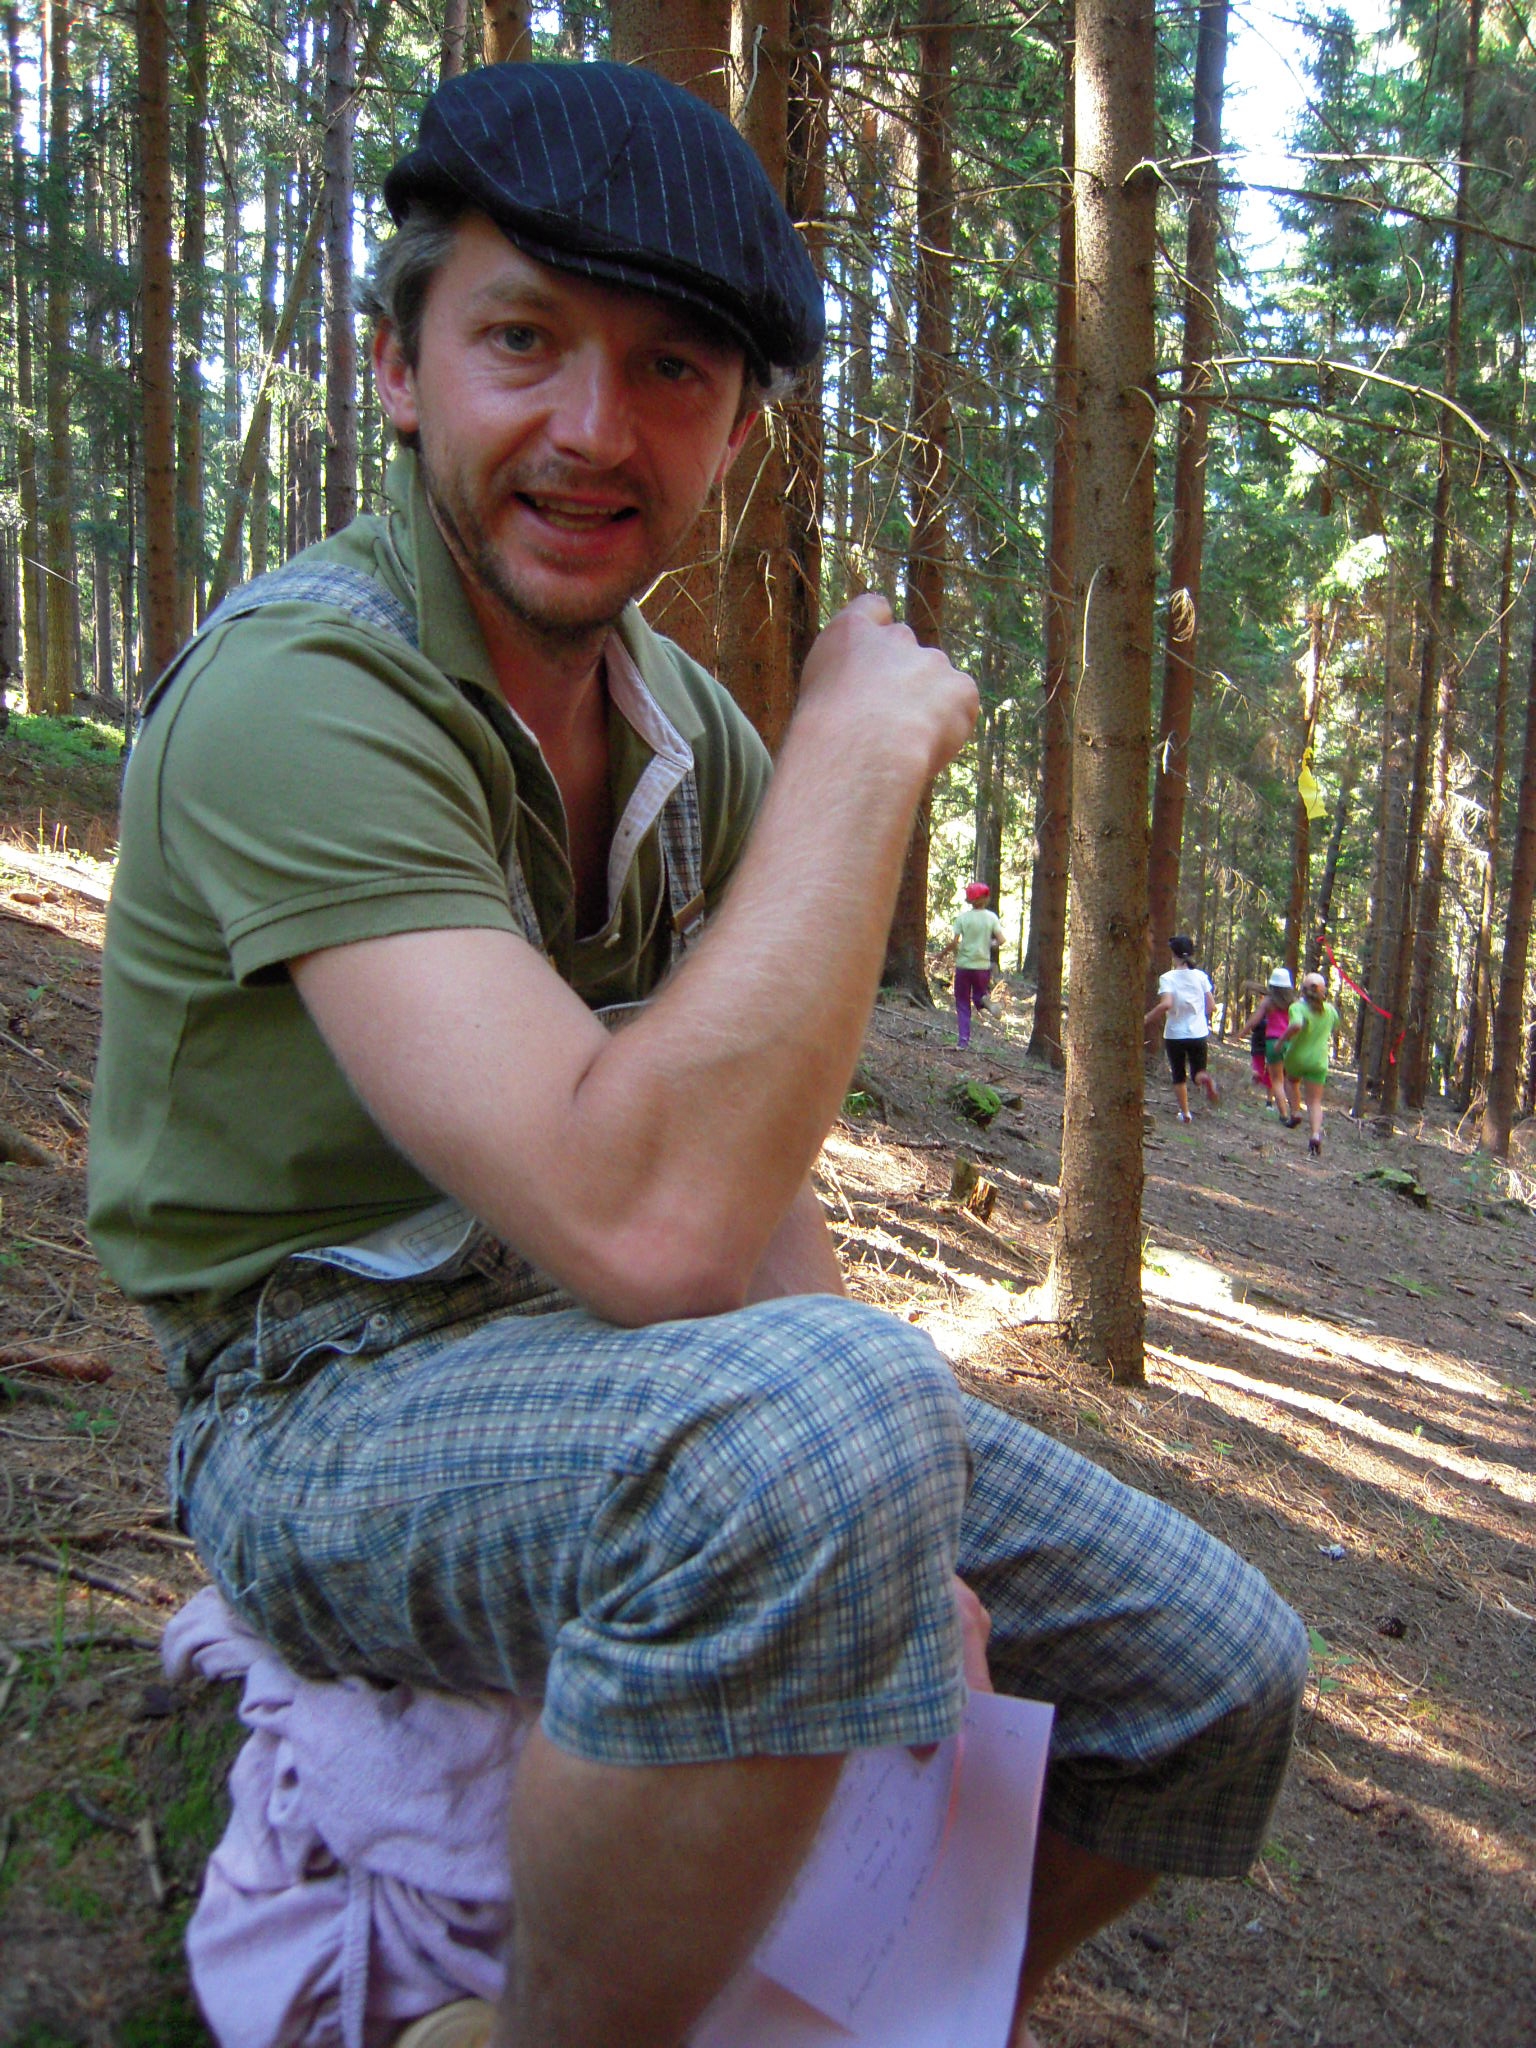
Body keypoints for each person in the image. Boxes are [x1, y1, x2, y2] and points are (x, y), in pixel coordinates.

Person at [88, 62, 1307, 2048]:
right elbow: (645, 1220)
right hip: (312, 1401)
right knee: (828, 1426)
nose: (594, 427)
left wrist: (877, 1516)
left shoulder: (679, 738)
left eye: (670, 369)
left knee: (1209, 1667)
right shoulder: (301, 691)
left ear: (736, 432)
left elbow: (748, 1196)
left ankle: (856, 2008)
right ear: (399, 368)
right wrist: (859, 758)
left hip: (608, 1375)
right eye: (522, 341)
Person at [1145, 933, 1219, 1123]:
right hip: (1198, 1032)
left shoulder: (1167, 978)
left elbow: (1166, 1004)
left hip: (1175, 1034)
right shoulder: (1201, 976)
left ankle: (1185, 1113)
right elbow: (1212, 1006)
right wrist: (1198, 1016)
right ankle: (1205, 1079)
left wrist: (1146, 1019)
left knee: (1178, 1074)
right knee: (1198, 1073)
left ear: (1174, 955)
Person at [1278, 970, 1342, 1158]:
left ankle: (1295, 1112)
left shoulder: (1297, 1007)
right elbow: (1335, 1025)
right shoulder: (1330, 1010)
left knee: (1291, 1081)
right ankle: (1315, 1135)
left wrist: (1281, 1041)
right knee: (1315, 1102)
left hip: (1297, 1057)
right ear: (1324, 991)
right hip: (1319, 1061)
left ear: (1303, 990)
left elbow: (1296, 1025)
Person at [945, 878, 1005, 1048]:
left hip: (964, 965)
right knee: (978, 996)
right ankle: (985, 1000)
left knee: (962, 1003)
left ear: (969, 900)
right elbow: (1001, 940)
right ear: (986, 899)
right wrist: (990, 943)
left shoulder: (962, 918)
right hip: (982, 966)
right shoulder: (991, 917)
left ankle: (963, 1041)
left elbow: (954, 942)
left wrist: (942, 954)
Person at [1244, 967, 1295, 1117]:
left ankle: (1283, 1114)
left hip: (1272, 1041)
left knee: (1277, 1080)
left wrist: (1241, 1032)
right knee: (1288, 1079)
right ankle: (1294, 1112)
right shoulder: (1294, 1003)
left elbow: (1254, 1020)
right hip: (1289, 1043)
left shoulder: (1268, 1002)